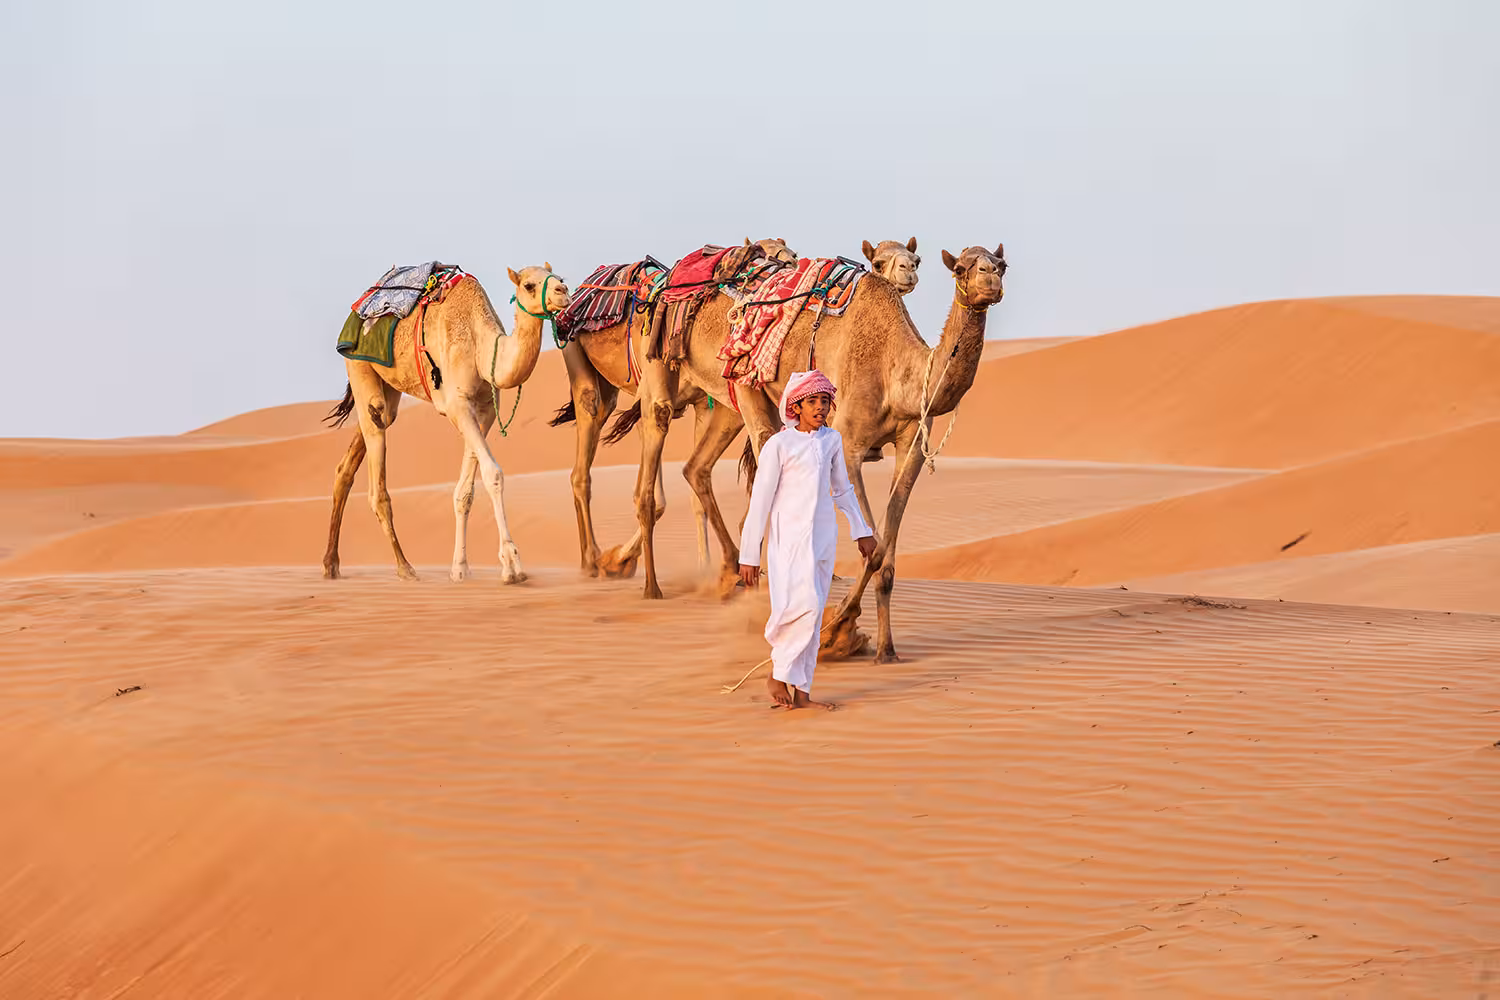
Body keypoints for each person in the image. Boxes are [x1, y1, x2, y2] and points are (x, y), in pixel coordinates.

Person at [739, 370, 879, 710]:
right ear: (796, 406)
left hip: (823, 538)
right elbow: (761, 499)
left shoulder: (832, 440)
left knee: (813, 618)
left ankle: (802, 693)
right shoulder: (779, 445)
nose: (820, 407)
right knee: (801, 607)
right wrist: (749, 554)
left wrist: (862, 531)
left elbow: (842, 489)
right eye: (812, 401)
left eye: (825, 401)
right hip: (788, 540)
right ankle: (778, 673)